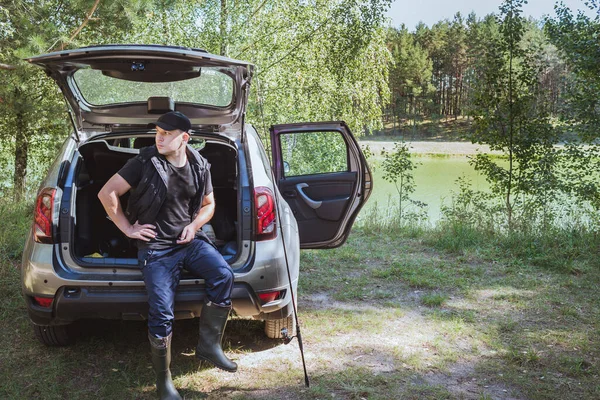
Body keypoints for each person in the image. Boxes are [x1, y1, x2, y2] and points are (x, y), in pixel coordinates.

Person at [98, 111, 237, 400]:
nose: (158, 138)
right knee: (162, 311)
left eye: (166, 134)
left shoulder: (199, 164)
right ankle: (164, 383)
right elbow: (107, 193)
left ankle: (209, 346)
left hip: (190, 241)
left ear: (184, 138)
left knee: (224, 274)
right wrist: (128, 228)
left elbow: (209, 205)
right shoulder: (144, 162)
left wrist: (194, 225)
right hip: (157, 249)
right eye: (157, 132)